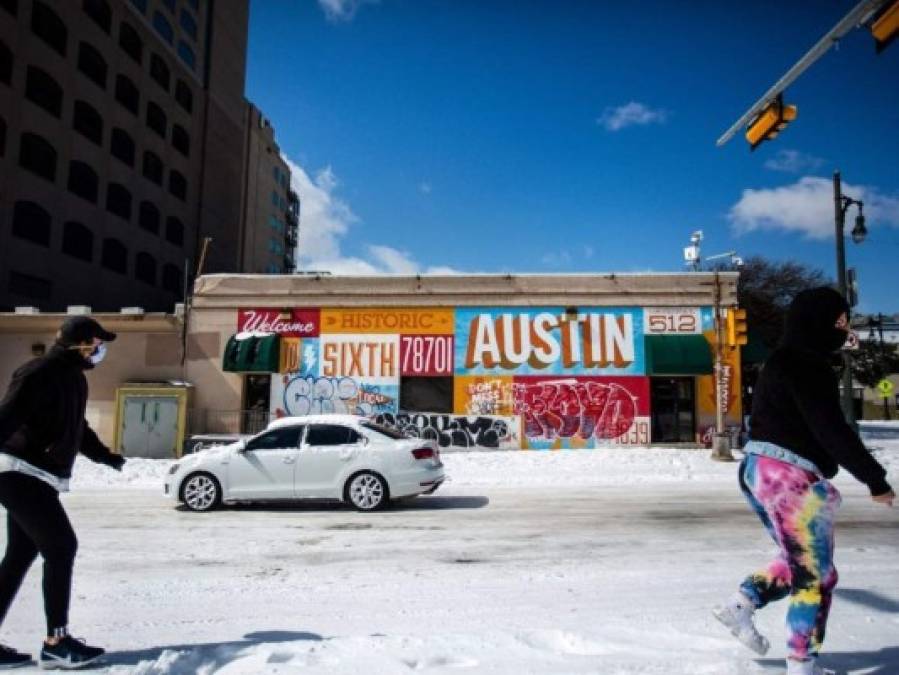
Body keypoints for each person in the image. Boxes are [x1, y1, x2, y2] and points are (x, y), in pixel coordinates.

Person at [713, 287, 895, 675]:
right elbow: (832, 428)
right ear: (817, 322)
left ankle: (741, 604)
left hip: (758, 470)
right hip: (789, 475)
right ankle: (802, 664)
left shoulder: (780, 362)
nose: (844, 330)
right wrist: (875, 479)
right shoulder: (808, 365)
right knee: (814, 576)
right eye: (839, 322)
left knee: (800, 562)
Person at [0, 316, 126, 669]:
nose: (101, 351)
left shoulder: (75, 380)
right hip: (18, 471)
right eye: (99, 344)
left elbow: (78, 428)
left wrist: (106, 457)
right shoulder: (38, 372)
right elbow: (7, 417)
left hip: (40, 476)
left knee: (19, 557)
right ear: (83, 343)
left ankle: (54, 640)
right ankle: (57, 641)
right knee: (61, 546)